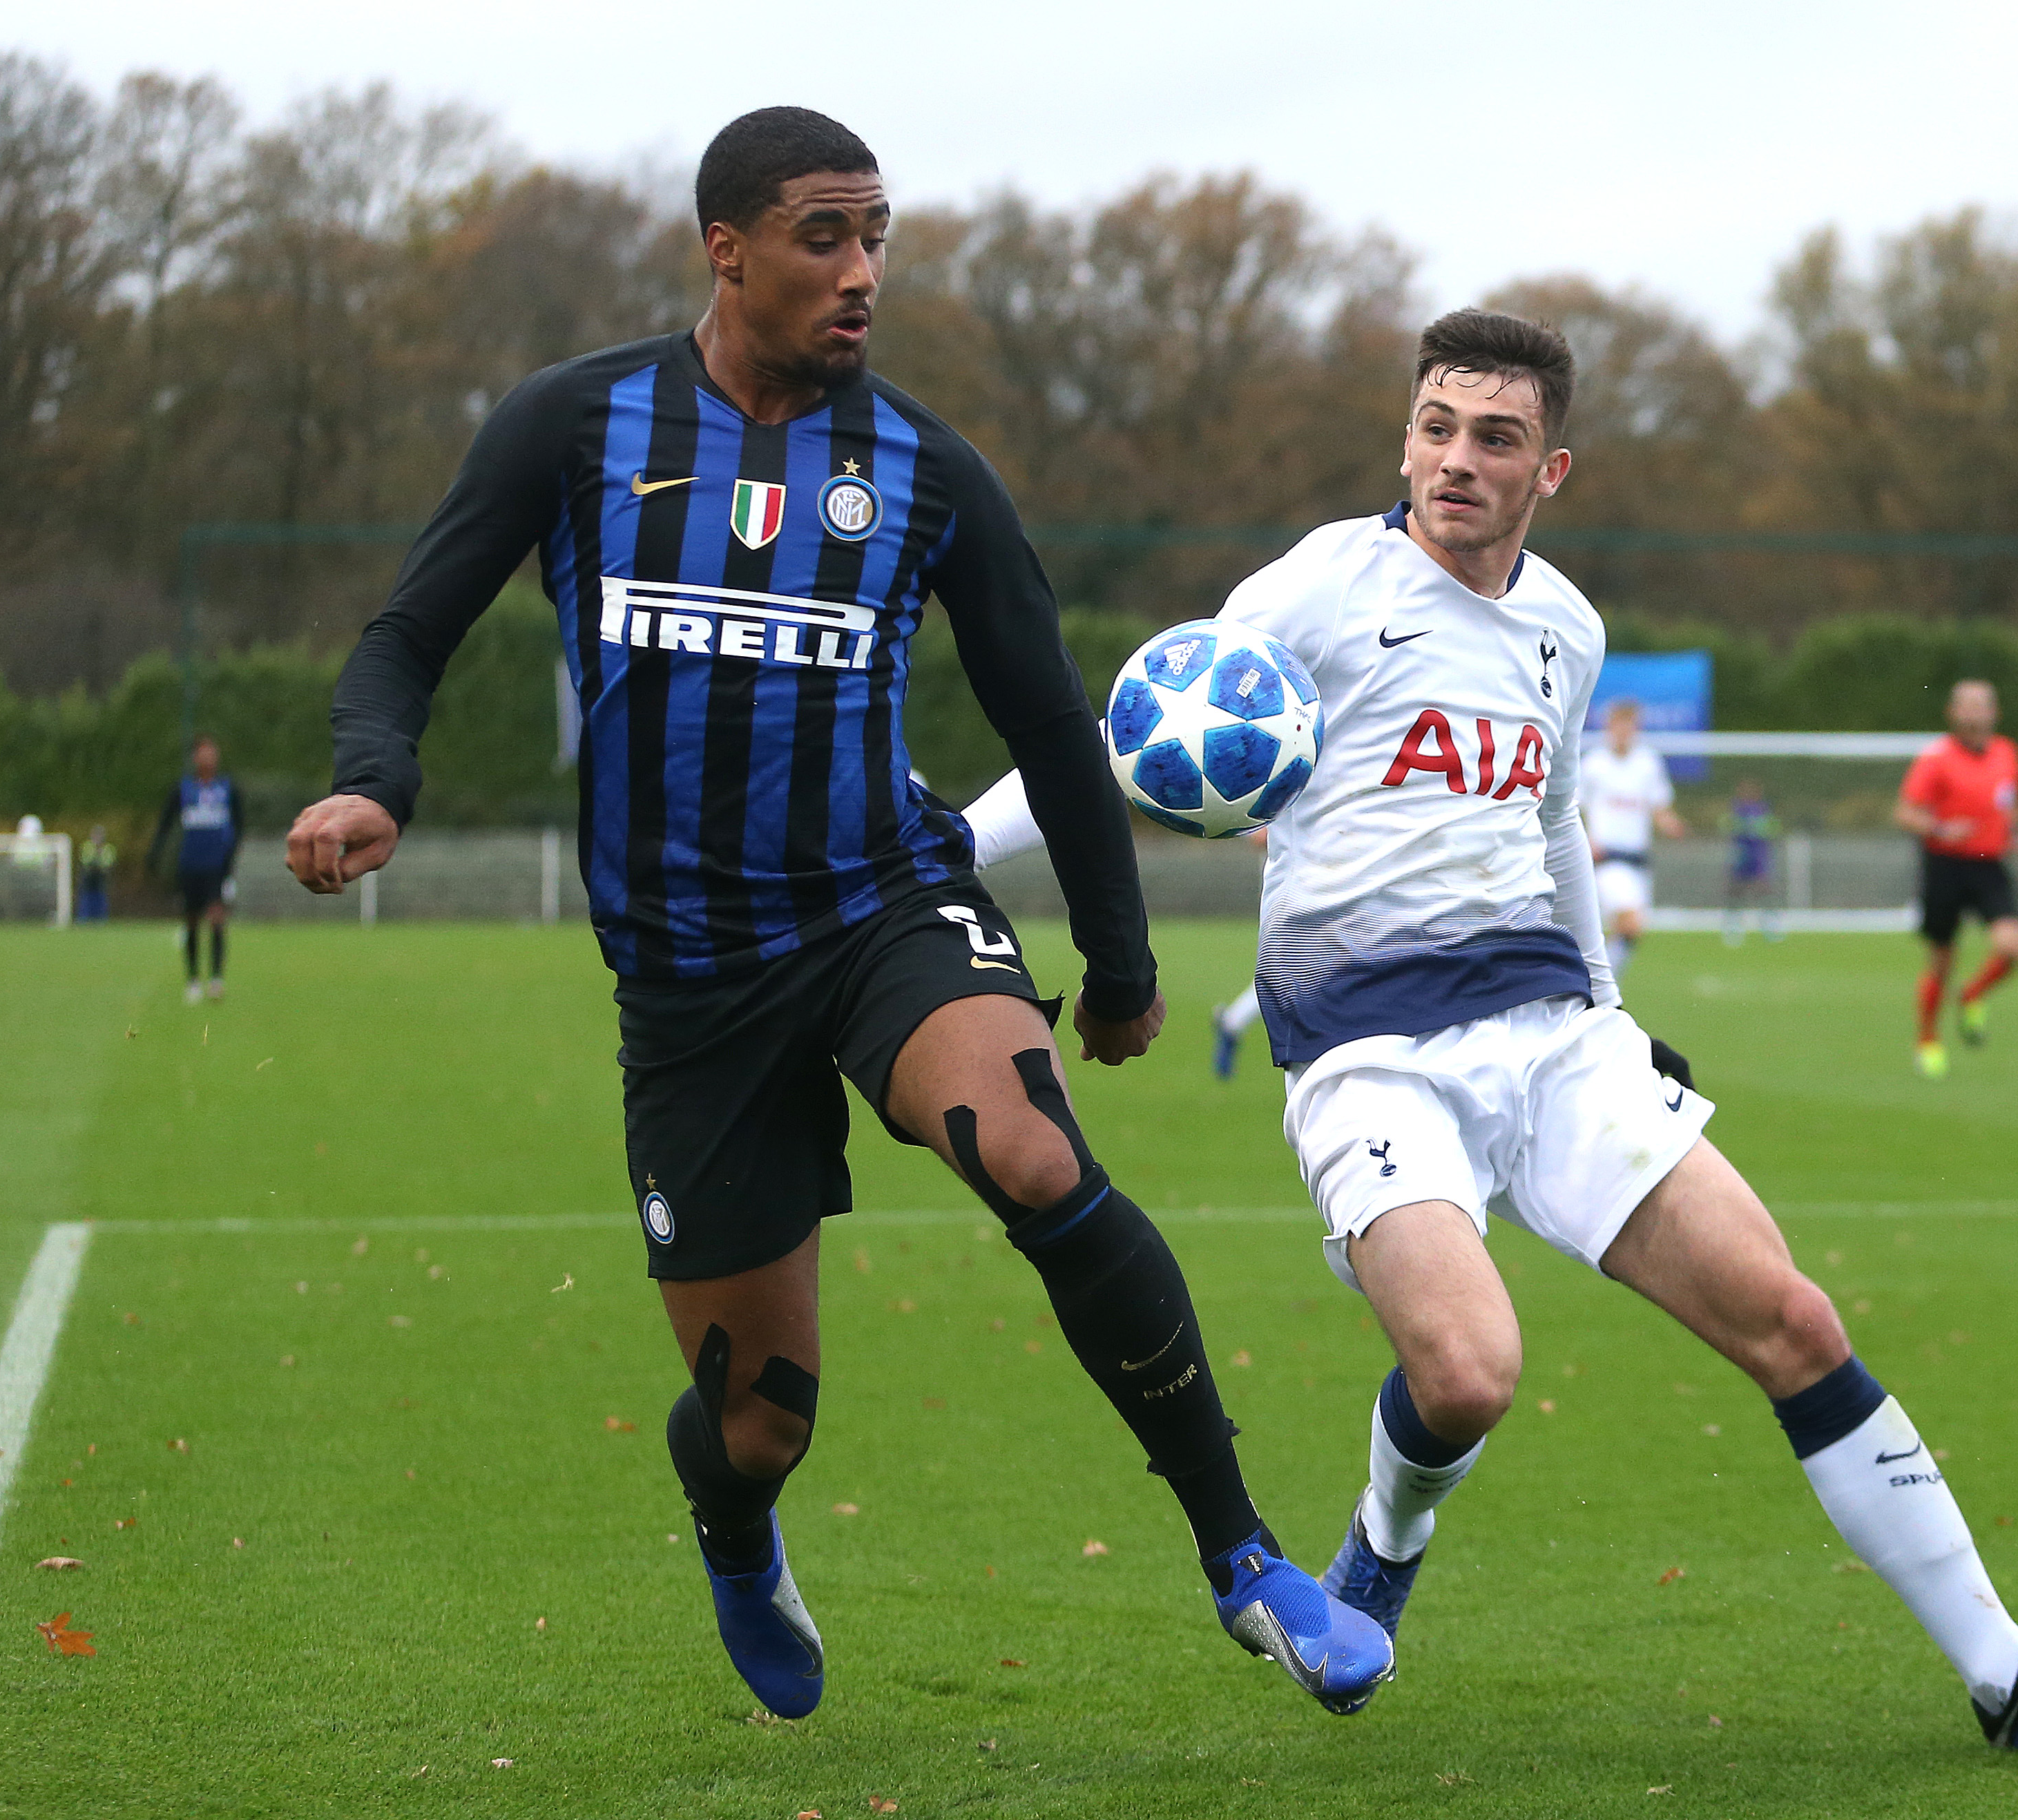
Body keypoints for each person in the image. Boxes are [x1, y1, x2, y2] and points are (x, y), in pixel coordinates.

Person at [284, 108, 1387, 1724]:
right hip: (688, 977)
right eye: (824, 236)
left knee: (1033, 1152)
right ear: (725, 249)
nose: (862, 269)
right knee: (759, 1422)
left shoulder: (927, 468)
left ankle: (1244, 1557)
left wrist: (1119, 962)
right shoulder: (572, 426)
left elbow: (1048, 719)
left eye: (876, 236)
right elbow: (405, 634)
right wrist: (374, 780)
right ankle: (738, 1532)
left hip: (883, 908)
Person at [965, 308, 2018, 1752]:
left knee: (1792, 1319)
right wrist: (944, 852)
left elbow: (1552, 831)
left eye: (1494, 438)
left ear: (1550, 471)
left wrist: (1610, 1011)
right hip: (1368, 1051)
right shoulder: (1322, 585)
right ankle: (1384, 1544)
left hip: (1552, 1037)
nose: (1455, 460)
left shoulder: (1567, 627)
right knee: (1466, 1375)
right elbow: (1127, 742)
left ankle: (2010, 1675)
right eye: (1435, 428)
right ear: (1404, 440)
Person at [1894, 680, 2018, 1080]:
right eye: (1965, 707)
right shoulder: (1936, 758)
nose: (1973, 714)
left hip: (1989, 866)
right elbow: (1905, 813)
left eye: (1980, 706)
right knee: (1942, 961)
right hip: (1945, 866)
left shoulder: (2007, 752)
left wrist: (2015, 831)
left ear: (1994, 713)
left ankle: (1972, 994)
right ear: (1951, 714)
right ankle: (1927, 1039)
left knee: (2012, 947)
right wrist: (1939, 828)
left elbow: (2011, 801)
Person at [1575, 698, 1686, 977]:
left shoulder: (1648, 762)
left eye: (1630, 725)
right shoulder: (1594, 764)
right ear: (1609, 727)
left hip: (1638, 860)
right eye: (1619, 725)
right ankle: (1600, 986)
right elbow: (1574, 808)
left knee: (1628, 932)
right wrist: (1586, 840)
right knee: (1630, 922)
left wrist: (1672, 825)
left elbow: (1659, 807)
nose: (1624, 731)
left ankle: (1599, 983)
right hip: (1608, 858)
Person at [150, 736, 242, 1003]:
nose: (208, 758)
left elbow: (239, 825)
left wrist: (230, 859)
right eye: (203, 753)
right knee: (191, 921)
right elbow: (165, 824)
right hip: (190, 865)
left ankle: (216, 979)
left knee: (216, 919)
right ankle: (192, 980)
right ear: (195, 758)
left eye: (212, 753)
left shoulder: (228, 789)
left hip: (217, 866)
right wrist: (155, 854)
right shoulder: (183, 789)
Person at [1209, 827, 1269, 1077]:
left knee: (1291, 972)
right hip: (1296, 888)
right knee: (1289, 970)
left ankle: (1232, 1021)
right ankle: (1232, 1022)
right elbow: (1259, 836)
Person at [1720, 776, 1782, 946]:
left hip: (1759, 856)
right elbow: (1727, 826)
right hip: (1741, 856)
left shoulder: (1763, 809)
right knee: (1736, 890)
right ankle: (1733, 926)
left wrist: (1757, 828)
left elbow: (1773, 828)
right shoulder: (1736, 809)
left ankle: (1770, 924)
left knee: (1763, 889)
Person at [77, 824, 116, 923]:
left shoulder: (108, 848)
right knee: (86, 897)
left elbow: (108, 862)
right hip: (89, 876)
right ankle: (84, 919)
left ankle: (100, 919)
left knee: (100, 897)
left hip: (101, 876)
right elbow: (85, 860)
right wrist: (96, 854)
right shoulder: (87, 846)